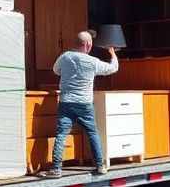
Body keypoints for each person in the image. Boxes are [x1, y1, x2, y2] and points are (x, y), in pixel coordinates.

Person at [43, 31, 119, 178]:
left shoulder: (65, 57)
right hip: (85, 104)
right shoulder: (93, 62)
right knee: (92, 133)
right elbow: (112, 68)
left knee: (61, 134)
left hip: (66, 102)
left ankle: (56, 168)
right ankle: (100, 165)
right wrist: (112, 53)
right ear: (88, 45)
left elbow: (55, 70)